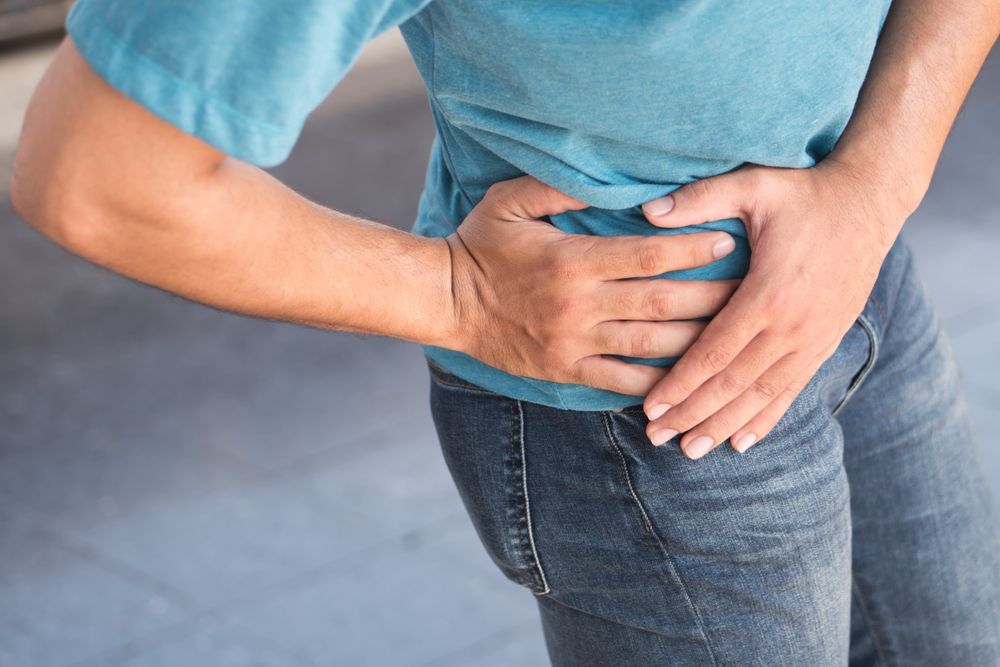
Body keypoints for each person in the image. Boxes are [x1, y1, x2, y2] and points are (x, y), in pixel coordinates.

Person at [10, 0, 999, 664]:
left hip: (866, 273)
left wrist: (873, 187)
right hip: (652, 408)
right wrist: (457, 292)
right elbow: (95, 176)